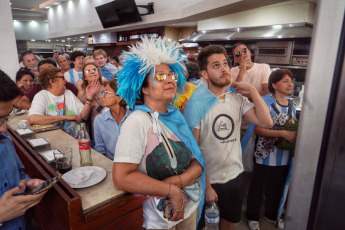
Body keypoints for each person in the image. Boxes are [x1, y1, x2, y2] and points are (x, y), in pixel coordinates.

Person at [113, 37, 206, 229]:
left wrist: (178, 183)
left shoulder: (175, 116)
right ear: (144, 88)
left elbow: (197, 160)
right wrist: (171, 190)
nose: (170, 79)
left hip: (190, 208)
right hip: (159, 221)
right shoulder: (137, 121)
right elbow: (121, 177)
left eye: (171, 75)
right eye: (160, 76)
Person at [183, 45, 272, 230]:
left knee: (228, 223)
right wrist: (206, 186)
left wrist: (252, 90)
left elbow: (266, 122)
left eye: (225, 63)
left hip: (234, 176)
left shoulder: (237, 100)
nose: (224, 68)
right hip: (208, 180)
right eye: (216, 65)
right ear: (204, 74)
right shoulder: (196, 106)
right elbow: (193, 151)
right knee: (201, 225)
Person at [246, 69, 296, 230]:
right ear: (274, 85)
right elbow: (258, 130)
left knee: (277, 186)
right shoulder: (266, 102)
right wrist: (282, 132)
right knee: (257, 187)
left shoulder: (292, 105)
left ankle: (272, 215)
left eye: (291, 81)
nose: (290, 84)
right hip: (264, 155)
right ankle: (252, 217)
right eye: (285, 81)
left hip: (284, 155)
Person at [0, 70, 47, 229]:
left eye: (6, 118)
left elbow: (18, 172)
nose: (4, 128)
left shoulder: (5, 141)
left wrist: (25, 183)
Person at [28, 67, 96, 138]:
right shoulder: (42, 96)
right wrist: (65, 117)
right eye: (62, 78)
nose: (66, 80)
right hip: (58, 141)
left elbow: (83, 116)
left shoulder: (68, 93)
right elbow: (33, 119)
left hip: (78, 139)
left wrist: (89, 98)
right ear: (52, 81)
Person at [93, 79, 131, 160]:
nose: (102, 96)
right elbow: (100, 149)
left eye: (106, 93)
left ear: (119, 98)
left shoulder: (134, 118)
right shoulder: (99, 120)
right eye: (102, 92)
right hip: (110, 163)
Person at [76, 63, 105, 138]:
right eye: (88, 71)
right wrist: (89, 99)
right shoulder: (82, 93)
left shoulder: (107, 87)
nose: (92, 72)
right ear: (84, 77)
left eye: (94, 70)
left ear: (98, 73)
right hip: (94, 130)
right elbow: (82, 117)